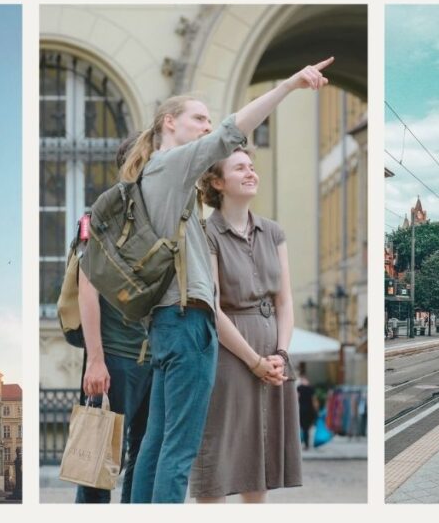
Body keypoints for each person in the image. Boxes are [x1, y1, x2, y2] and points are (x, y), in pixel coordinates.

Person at [127, 57, 334, 503]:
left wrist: (277, 352)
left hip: (168, 323)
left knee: (157, 442)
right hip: (188, 326)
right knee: (183, 452)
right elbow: (232, 130)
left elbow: (283, 301)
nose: (206, 127)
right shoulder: (172, 167)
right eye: (198, 118)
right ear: (170, 123)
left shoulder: (157, 174)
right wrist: (290, 84)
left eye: (207, 119)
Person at [189, 148, 302, 503]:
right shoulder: (207, 232)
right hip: (229, 353)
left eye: (252, 167)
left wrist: (281, 354)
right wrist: (255, 361)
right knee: (218, 462)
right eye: (240, 168)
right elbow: (212, 306)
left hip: (273, 354)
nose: (251, 173)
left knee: (260, 464)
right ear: (218, 182)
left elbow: (285, 301)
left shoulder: (273, 232)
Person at [74, 134, 152, 504]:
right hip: (115, 358)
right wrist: (96, 359)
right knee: (98, 465)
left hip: (156, 357)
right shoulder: (101, 214)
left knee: (144, 460)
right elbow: (86, 287)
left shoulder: (164, 214)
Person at [296, 364, 319, 452]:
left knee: (301, 427)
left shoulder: (299, 388)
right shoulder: (311, 388)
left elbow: (297, 399)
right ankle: (306, 444)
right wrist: (316, 410)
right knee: (307, 428)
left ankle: (302, 443)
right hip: (309, 410)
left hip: (301, 409)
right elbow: (314, 400)